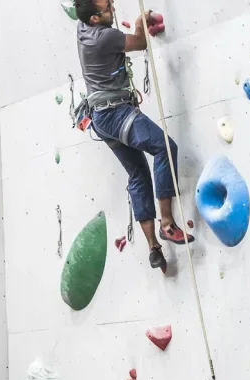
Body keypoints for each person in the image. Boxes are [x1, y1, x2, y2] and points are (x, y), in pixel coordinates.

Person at [73, 0, 194, 270]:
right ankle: (166, 224)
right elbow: (140, 43)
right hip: (115, 113)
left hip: (101, 119)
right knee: (164, 147)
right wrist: (140, 23)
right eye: (107, 8)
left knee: (138, 174)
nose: (112, 8)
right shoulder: (105, 37)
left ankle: (154, 248)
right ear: (94, 19)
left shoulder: (81, 28)